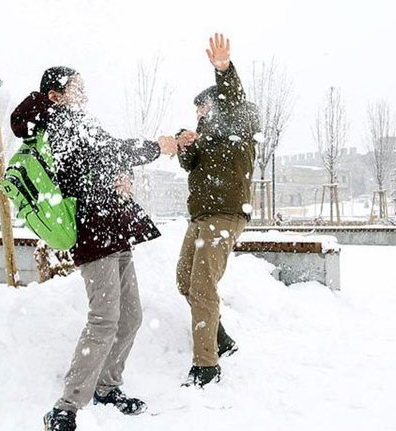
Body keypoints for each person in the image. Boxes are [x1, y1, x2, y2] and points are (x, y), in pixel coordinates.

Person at [10, 67, 179, 431]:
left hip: (113, 228)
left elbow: (106, 161)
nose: (84, 90)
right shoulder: (59, 123)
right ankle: (65, 407)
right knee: (104, 318)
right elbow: (110, 151)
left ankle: (107, 387)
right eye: (76, 86)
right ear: (56, 95)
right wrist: (157, 147)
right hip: (93, 231)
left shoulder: (79, 121)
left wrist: (124, 178)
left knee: (130, 316)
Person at [175, 33, 260, 388]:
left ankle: (206, 366)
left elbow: (234, 99)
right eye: (197, 111)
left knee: (203, 286)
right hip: (201, 217)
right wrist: (183, 143)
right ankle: (220, 337)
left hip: (225, 215)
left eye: (204, 108)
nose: (200, 114)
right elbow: (189, 165)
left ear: (218, 105)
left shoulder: (238, 123)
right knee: (185, 280)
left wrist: (223, 69)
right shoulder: (205, 137)